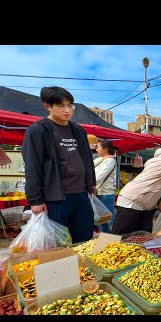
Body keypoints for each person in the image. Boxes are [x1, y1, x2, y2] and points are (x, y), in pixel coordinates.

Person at [22, 86, 95, 244]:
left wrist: (91, 184)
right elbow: (32, 166)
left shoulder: (78, 130)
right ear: (47, 106)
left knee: (85, 240)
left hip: (81, 196)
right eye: (61, 106)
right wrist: (35, 200)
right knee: (57, 244)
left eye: (70, 105)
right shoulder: (38, 130)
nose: (67, 110)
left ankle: (82, 269)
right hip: (55, 199)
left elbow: (87, 159)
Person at [94, 139, 117, 233]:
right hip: (98, 194)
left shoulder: (110, 161)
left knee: (107, 221)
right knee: (100, 221)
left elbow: (98, 177)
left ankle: (111, 241)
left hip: (105, 195)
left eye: (98, 147)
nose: (96, 149)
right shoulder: (100, 160)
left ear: (105, 149)